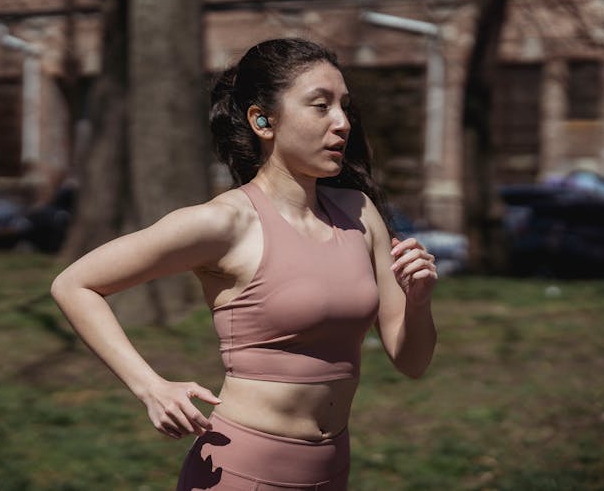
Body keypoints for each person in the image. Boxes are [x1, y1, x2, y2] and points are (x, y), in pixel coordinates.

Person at [51, 38, 438, 491]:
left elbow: (411, 361)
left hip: (332, 472)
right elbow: (75, 284)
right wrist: (151, 386)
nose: (342, 123)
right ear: (262, 120)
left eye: (345, 107)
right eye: (320, 106)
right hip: (239, 473)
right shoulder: (224, 223)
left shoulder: (359, 212)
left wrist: (418, 301)